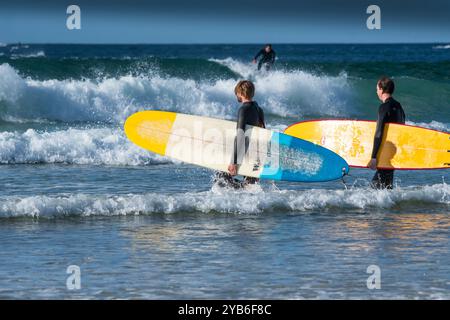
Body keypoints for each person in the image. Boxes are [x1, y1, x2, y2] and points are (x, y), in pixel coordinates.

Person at [213, 80, 265, 189]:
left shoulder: (243, 109)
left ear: (240, 93)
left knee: (220, 178)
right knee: (251, 187)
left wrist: (234, 162)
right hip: (256, 155)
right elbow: (263, 132)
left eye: (236, 92)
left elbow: (240, 135)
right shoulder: (259, 109)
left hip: (244, 153)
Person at [369, 77, 405, 189]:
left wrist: (373, 157)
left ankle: (384, 206)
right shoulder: (399, 106)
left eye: (377, 89)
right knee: (387, 187)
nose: (376, 91)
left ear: (381, 89)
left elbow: (379, 132)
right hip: (393, 153)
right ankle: (389, 206)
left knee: (374, 189)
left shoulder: (384, 107)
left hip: (384, 153)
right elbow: (402, 129)